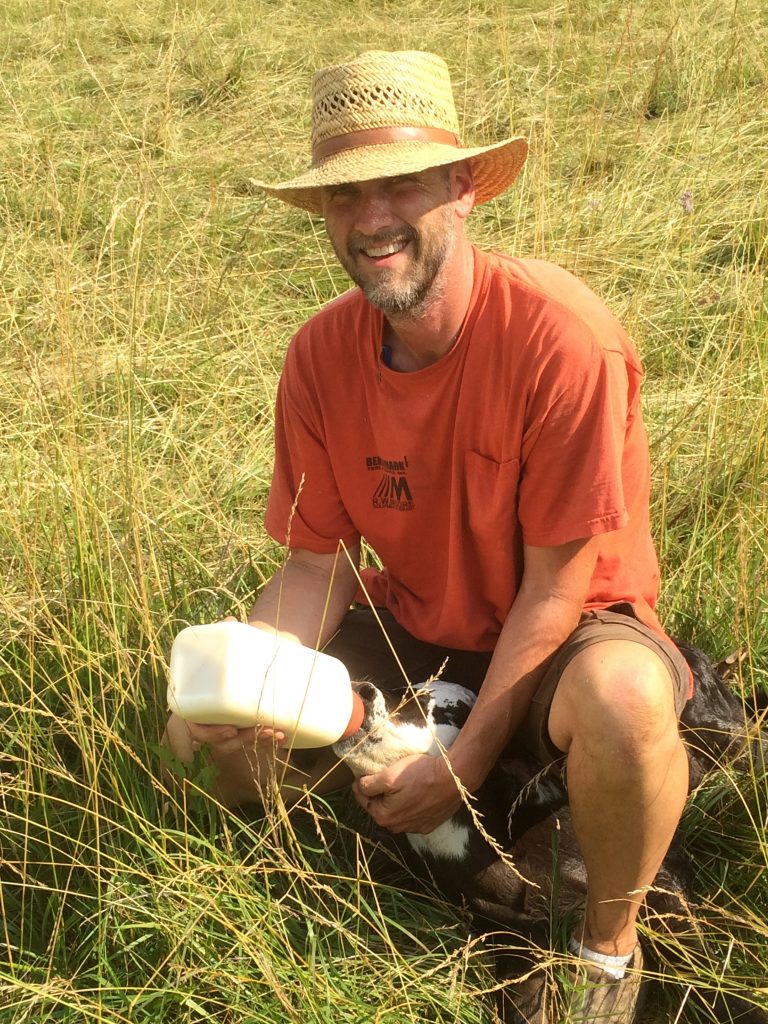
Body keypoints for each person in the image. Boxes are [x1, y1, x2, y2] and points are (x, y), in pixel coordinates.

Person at [164, 49, 693, 1022]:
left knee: (625, 700)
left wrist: (463, 761)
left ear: (461, 188)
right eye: (343, 196)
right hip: (417, 623)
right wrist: (257, 674)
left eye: (400, 182)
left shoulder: (560, 338)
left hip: (566, 622)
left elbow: (556, 588)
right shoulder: (320, 355)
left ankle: (607, 956)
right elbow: (315, 563)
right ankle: (299, 900)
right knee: (198, 738)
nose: (371, 219)